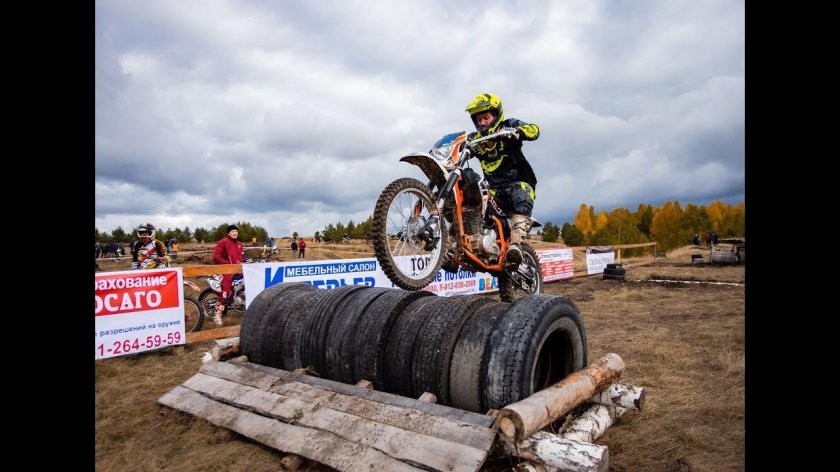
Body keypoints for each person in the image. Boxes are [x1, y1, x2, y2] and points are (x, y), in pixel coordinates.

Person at [464, 93, 540, 265]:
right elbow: (462, 143)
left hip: (519, 182)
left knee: (520, 192)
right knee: (471, 201)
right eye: (479, 119)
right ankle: (464, 246)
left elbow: (534, 130)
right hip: (494, 191)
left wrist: (517, 132)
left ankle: (515, 246)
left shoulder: (508, 126)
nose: (482, 122)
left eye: (486, 117)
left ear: (496, 115)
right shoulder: (476, 139)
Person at [212, 225, 244, 326]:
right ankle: (218, 313)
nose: (235, 233)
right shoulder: (223, 242)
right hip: (227, 271)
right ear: (228, 233)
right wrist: (228, 264)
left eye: (236, 231)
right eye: (233, 231)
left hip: (238, 270)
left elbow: (240, 257)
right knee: (226, 290)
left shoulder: (239, 244)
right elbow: (216, 257)